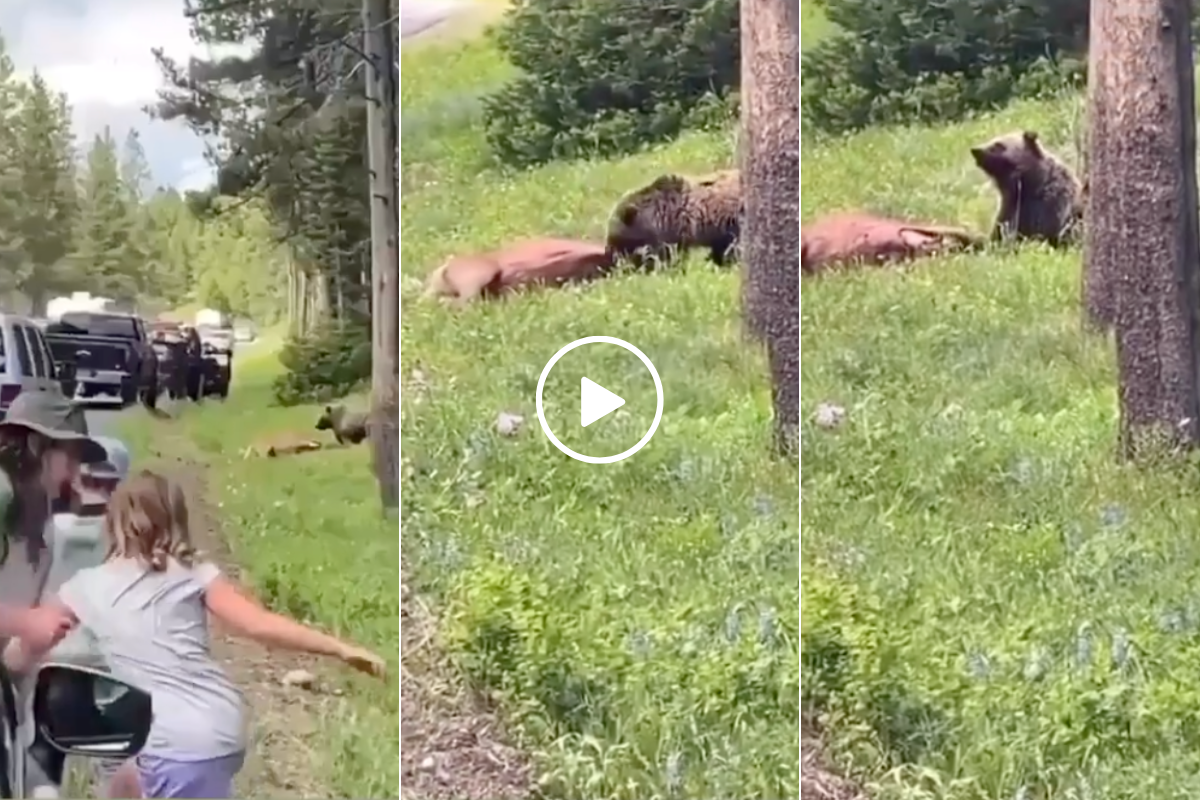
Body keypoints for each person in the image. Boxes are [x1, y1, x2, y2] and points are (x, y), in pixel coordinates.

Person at [3, 470, 388, 799]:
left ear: (114, 521)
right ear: (174, 520)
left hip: (175, 743)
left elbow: (27, 647)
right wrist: (338, 648)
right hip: (218, 725)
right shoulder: (191, 572)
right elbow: (259, 624)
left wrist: (9, 665)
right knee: (122, 785)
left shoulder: (86, 586)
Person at [0, 392, 107, 654]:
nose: (73, 474)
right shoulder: (3, 492)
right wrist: (27, 622)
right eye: (70, 458)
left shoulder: (37, 514)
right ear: (37, 445)